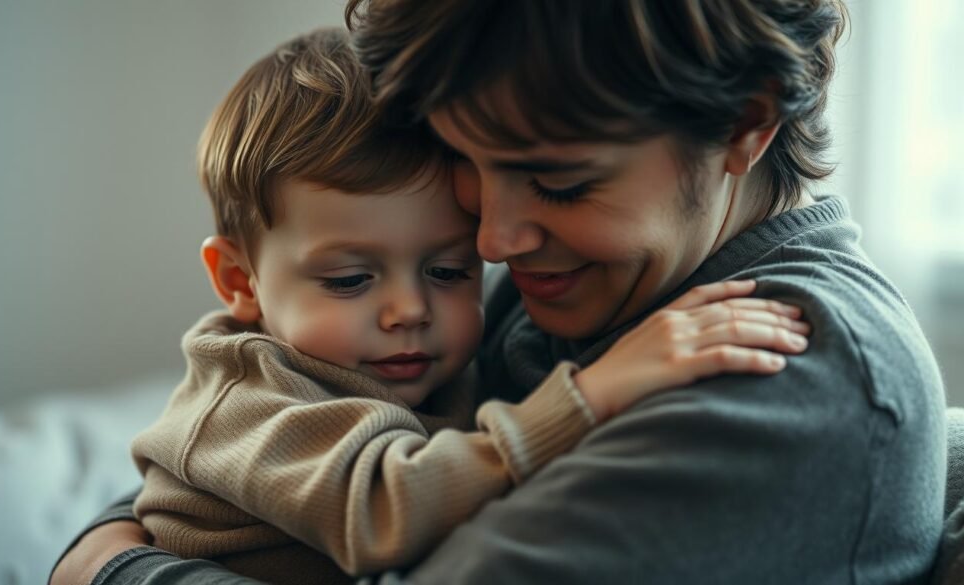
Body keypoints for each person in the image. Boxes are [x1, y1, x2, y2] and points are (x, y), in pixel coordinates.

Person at [52, 1, 947, 584]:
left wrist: (112, 572)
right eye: (471, 169)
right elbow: (203, 463)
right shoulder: (571, 279)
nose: (488, 243)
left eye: (557, 181)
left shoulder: (782, 367)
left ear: (746, 123)